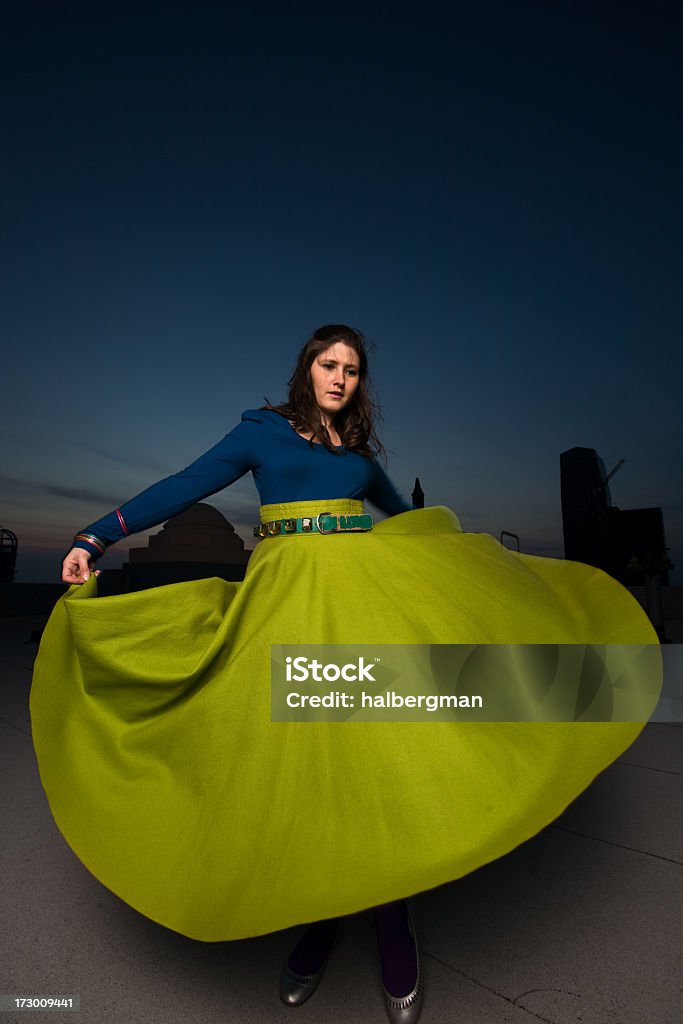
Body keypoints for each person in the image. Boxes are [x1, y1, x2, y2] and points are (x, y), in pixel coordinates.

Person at [31, 324, 661, 1024]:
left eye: (352, 370)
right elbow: (185, 484)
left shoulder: (360, 460)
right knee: (303, 764)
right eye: (328, 365)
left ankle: (392, 926)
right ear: (307, 369)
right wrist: (95, 535)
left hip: (364, 609)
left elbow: (409, 520)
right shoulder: (260, 432)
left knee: (371, 760)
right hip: (288, 607)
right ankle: (323, 916)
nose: (339, 377)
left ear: (360, 382)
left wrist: (469, 561)